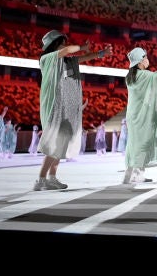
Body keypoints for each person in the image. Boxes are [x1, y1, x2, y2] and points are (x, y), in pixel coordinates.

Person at [35, 29, 111, 191]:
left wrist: (100, 53)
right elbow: (68, 51)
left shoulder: (66, 62)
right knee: (54, 144)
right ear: (54, 45)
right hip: (53, 107)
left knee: (61, 144)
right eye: (61, 42)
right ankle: (41, 180)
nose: (64, 45)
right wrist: (82, 47)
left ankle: (52, 177)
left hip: (65, 109)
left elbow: (81, 58)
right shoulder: (46, 59)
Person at [123, 46, 157, 185]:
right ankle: (137, 175)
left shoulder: (131, 76)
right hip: (142, 117)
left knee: (134, 145)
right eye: (145, 57)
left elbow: (153, 78)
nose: (147, 60)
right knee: (142, 144)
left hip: (133, 115)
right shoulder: (142, 75)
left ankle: (129, 175)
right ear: (140, 61)